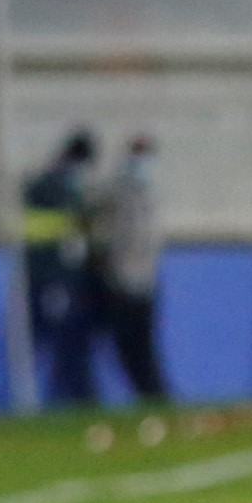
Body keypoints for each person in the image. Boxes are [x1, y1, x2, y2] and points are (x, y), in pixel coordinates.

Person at [20, 129, 99, 407]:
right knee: (55, 340)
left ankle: (71, 395)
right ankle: (64, 397)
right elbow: (59, 234)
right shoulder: (51, 188)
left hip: (59, 277)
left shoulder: (56, 185)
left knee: (63, 341)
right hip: (51, 277)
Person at [93, 132, 166, 400]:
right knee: (130, 349)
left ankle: (154, 396)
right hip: (123, 280)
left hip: (141, 282)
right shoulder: (119, 189)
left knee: (141, 348)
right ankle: (150, 396)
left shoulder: (147, 192)